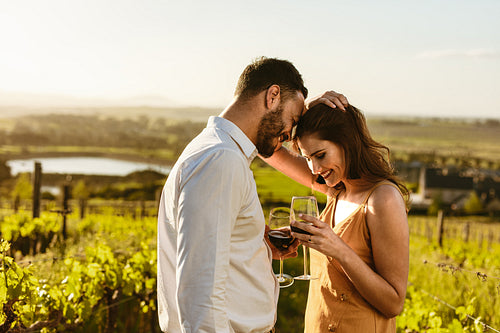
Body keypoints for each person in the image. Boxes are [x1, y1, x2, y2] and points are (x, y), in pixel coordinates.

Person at [157, 56, 347, 333]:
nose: (289, 132)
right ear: (273, 96)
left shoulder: (215, 148)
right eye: (293, 118)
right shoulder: (221, 160)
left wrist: (253, 242)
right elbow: (200, 294)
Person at [263, 102, 410, 332]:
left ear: (347, 142)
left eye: (320, 155)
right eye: (308, 157)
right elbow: (268, 149)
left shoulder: (383, 198)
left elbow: (393, 303)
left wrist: (337, 248)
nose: (314, 168)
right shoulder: (337, 189)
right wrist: (308, 108)